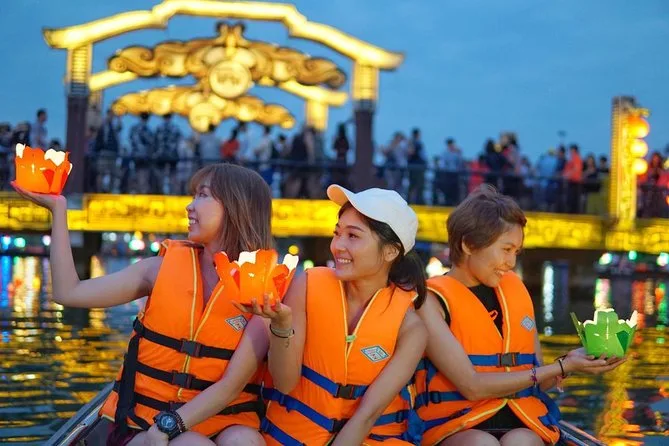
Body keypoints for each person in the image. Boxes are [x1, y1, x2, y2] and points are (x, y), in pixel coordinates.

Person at [11, 163, 274, 445]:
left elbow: (231, 386)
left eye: (203, 195)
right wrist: (58, 209)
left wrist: (172, 425)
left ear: (235, 207)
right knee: (191, 444)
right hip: (142, 424)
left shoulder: (264, 292)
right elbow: (68, 292)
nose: (189, 206)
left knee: (245, 440)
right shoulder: (157, 270)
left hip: (215, 420)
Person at [415, 185, 625, 446]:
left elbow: (537, 381)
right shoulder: (431, 301)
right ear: (468, 244)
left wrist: (572, 362)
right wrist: (561, 367)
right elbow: (471, 386)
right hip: (456, 425)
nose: (512, 262)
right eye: (506, 249)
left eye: (516, 252)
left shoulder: (514, 290)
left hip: (521, 420)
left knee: (521, 441)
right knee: (481, 444)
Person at [240, 185, 428, 445]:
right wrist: (281, 325)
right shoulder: (307, 285)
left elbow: (367, 416)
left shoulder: (412, 329)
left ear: (391, 251)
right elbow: (284, 383)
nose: (337, 246)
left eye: (353, 236)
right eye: (337, 233)